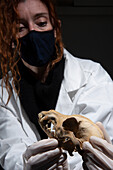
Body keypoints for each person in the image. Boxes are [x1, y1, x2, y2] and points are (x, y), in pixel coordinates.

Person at [0, 0, 113, 169]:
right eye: (20, 28)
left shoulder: (93, 77)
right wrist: (26, 164)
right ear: (11, 39)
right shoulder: (3, 92)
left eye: (41, 23)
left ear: (55, 28)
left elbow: (92, 143)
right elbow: (11, 152)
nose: (33, 31)